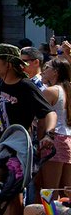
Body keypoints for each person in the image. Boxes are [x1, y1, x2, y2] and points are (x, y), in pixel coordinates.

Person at [36, 58, 71, 190]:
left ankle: (51, 207)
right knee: (67, 190)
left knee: (50, 190)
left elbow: (41, 123)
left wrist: (39, 143)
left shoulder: (50, 91)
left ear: (55, 72)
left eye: (47, 68)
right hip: (68, 139)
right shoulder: (68, 90)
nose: (43, 72)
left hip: (53, 140)